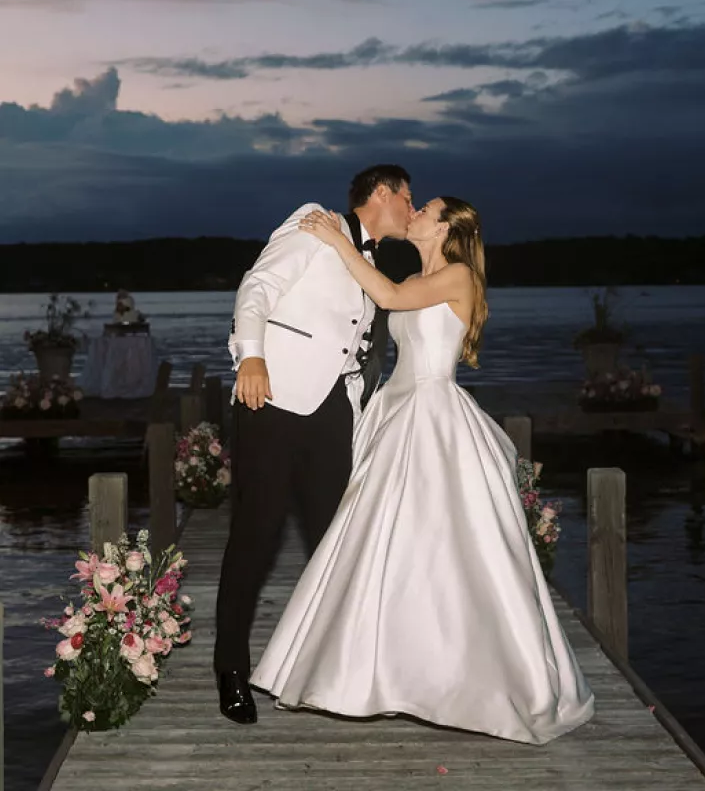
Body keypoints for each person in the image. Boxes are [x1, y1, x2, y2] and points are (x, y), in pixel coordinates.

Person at [250, 197, 595, 744]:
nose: (414, 213)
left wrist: (339, 243)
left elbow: (386, 296)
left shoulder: (460, 275)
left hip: (434, 419)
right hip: (397, 411)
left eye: (425, 209)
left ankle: (472, 678)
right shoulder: (416, 272)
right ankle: (387, 671)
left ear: (446, 228)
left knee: (448, 549)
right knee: (390, 549)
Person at [214, 164, 415, 724]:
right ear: (382, 193)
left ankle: (331, 669)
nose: (410, 208)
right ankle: (230, 669)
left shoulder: (376, 259)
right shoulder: (312, 221)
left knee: (336, 539)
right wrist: (249, 356)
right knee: (255, 536)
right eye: (407, 198)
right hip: (271, 397)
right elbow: (257, 287)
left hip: (334, 412)